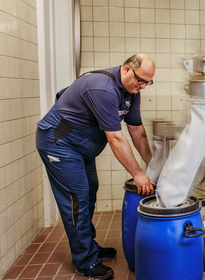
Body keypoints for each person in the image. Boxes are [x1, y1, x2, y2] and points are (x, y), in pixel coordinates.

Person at [36, 53, 156, 279]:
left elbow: (137, 131)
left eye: (147, 82)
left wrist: (153, 165)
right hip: (59, 143)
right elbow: (115, 138)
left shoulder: (132, 92)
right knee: (77, 198)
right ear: (126, 69)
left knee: (90, 191)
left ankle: (87, 246)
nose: (143, 86)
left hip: (81, 147)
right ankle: (85, 261)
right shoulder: (102, 88)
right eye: (140, 80)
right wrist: (138, 174)